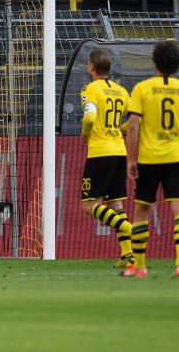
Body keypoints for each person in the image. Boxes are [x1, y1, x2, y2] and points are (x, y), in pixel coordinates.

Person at [123, 40, 179, 278]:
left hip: (149, 157)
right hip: (176, 156)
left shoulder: (142, 88)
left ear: (154, 62)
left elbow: (133, 127)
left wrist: (131, 160)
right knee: (178, 209)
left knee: (141, 209)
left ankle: (139, 265)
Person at [78, 49, 134, 268]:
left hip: (100, 152)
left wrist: (85, 134)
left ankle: (131, 229)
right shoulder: (121, 91)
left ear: (91, 67)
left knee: (89, 205)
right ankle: (128, 254)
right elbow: (137, 118)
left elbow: (90, 118)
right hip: (120, 151)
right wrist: (121, 129)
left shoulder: (90, 89)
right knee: (116, 204)